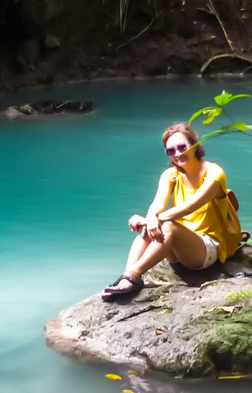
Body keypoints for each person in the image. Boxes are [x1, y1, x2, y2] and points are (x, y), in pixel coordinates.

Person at [102, 122, 241, 300]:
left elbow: (190, 206)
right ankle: (127, 275)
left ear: (194, 145)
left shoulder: (214, 173)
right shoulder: (170, 175)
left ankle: (134, 275)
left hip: (207, 248)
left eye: (182, 147)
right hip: (178, 248)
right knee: (151, 225)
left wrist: (150, 220)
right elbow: (157, 205)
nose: (177, 153)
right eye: (171, 150)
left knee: (164, 225)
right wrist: (151, 218)